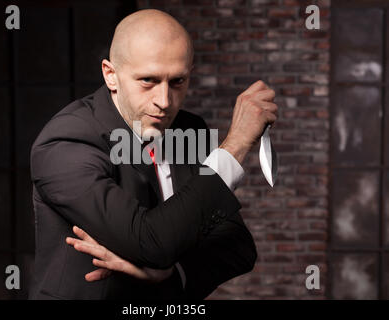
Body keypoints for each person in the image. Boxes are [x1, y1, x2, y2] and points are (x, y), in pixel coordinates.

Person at [28, 9, 278, 300]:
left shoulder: (189, 129)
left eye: (177, 82)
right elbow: (151, 242)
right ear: (111, 75)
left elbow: (237, 247)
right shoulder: (66, 141)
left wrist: (172, 273)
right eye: (148, 80)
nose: (164, 101)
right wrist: (234, 145)